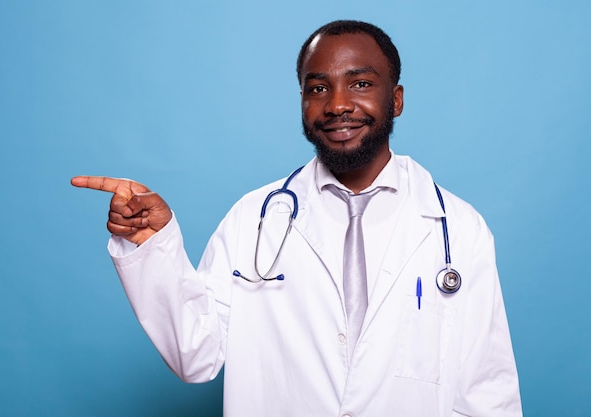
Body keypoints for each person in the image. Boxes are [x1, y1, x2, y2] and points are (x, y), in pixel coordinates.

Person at [72, 20, 522, 417]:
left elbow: (488, 390)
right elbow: (195, 355)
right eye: (318, 87)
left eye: (360, 84)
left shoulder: (457, 229)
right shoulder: (254, 219)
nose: (337, 105)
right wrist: (154, 246)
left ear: (397, 99)